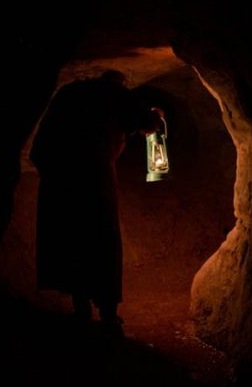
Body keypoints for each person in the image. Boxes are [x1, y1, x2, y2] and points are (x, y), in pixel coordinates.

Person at [29, 70, 161, 333]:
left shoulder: (68, 93)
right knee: (102, 238)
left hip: (61, 178)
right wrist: (157, 116)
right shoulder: (114, 94)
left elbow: (40, 146)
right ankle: (109, 315)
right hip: (93, 178)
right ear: (121, 84)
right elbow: (144, 121)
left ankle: (81, 309)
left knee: (72, 239)